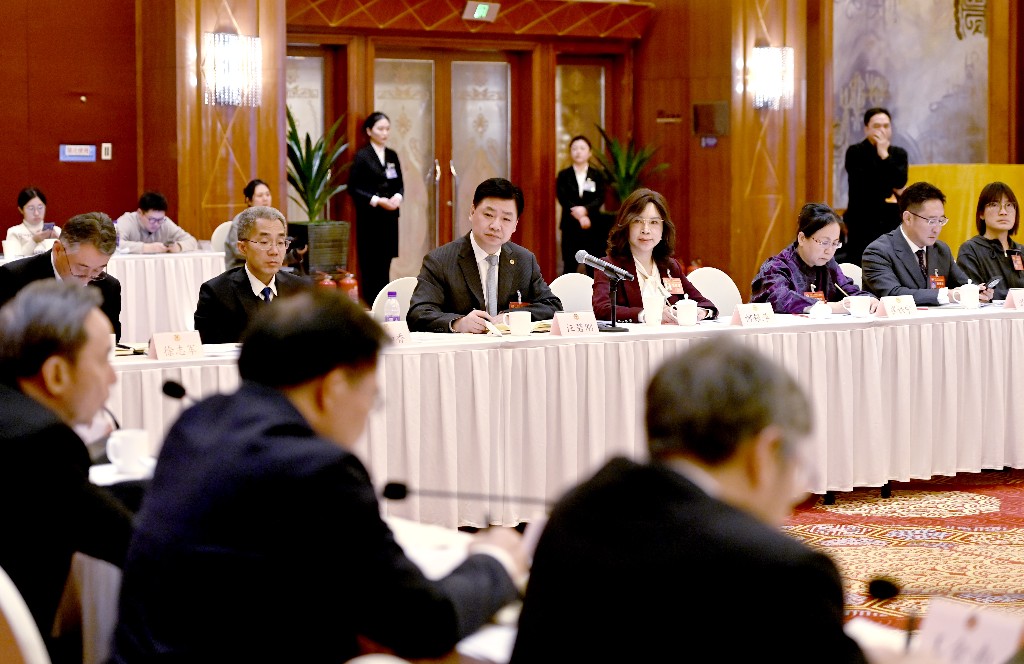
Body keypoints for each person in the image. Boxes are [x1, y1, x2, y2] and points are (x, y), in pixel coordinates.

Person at [111, 287, 526, 662]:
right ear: (335, 387)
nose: (366, 415)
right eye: (371, 397)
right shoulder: (317, 469)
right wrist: (495, 560)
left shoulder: (198, 422)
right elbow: (423, 624)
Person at [510, 338, 867, 663]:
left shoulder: (577, 511)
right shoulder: (784, 573)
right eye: (796, 467)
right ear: (764, 453)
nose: (796, 493)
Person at [0, 281, 133, 659]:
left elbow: (77, 500)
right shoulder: (41, 443)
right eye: (104, 359)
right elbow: (129, 543)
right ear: (56, 374)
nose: (113, 377)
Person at [407, 177, 562, 333]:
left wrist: (511, 317)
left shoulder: (524, 260)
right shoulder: (440, 260)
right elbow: (418, 314)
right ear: (472, 212)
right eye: (488, 215)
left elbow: (552, 306)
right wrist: (458, 323)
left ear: (515, 225)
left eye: (506, 219)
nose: (495, 226)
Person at [591, 188, 716, 323]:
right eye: (637, 221)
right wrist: (648, 315)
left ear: (664, 229)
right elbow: (602, 309)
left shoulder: (670, 267)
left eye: (654, 222)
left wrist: (700, 312)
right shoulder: (609, 266)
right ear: (626, 225)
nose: (646, 230)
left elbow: (705, 303)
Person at [863, 181, 993, 305]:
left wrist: (977, 292)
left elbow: (964, 284)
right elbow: (893, 294)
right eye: (931, 221)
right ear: (908, 218)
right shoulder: (878, 252)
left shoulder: (941, 250)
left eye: (941, 220)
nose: (937, 229)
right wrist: (948, 295)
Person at [194, 205, 308, 343]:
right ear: (243, 247)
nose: (274, 251)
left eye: (280, 242)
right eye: (264, 242)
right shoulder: (216, 293)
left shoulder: (301, 289)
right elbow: (207, 350)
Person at [0, 211, 122, 340]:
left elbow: (111, 341)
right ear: (58, 250)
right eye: (81, 268)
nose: (87, 279)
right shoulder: (14, 278)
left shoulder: (109, 287)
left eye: (98, 270)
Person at [752, 202, 878, 314]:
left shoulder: (829, 266)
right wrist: (830, 308)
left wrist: (869, 300)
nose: (829, 251)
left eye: (835, 243)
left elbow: (849, 290)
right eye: (824, 242)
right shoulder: (775, 267)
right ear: (802, 238)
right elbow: (777, 298)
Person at [348, 111, 404, 305]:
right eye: (380, 129)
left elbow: (399, 184)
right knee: (370, 263)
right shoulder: (362, 156)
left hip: (390, 218)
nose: (385, 133)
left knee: (385, 262)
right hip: (370, 218)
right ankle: (370, 305)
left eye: (387, 129)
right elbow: (353, 187)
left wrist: (397, 197)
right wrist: (377, 200)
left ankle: (384, 305)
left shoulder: (392, 155)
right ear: (369, 131)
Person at [841, 107, 909, 265]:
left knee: (890, 263)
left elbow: (899, 181)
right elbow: (866, 184)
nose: (882, 130)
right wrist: (888, 178)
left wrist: (884, 154)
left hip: (890, 220)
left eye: (886, 126)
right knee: (860, 265)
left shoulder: (899, 154)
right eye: (877, 126)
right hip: (862, 220)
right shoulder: (855, 152)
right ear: (866, 129)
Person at [956, 181, 1023, 301]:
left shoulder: (1021, 251)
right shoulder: (970, 250)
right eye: (994, 204)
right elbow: (975, 293)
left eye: (1009, 205)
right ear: (981, 213)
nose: (1003, 212)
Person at [556, 135, 607, 275]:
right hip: (570, 226)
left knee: (593, 268)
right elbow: (562, 197)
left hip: (592, 226)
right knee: (569, 267)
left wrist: (585, 210)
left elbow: (600, 197)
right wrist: (579, 215)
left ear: (589, 152)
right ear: (570, 152)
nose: (578, 151)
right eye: (574, 148)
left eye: (582, 148)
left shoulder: (597, 175)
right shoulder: (564, 175)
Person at [114, 191, 198, 254]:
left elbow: (192, 241)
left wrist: (179, 247)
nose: (157, 224)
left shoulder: (165, 222)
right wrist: (147, 248)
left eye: (160, 219)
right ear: (140, 213)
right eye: (152, 219)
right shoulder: (127, 221)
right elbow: (112, 245)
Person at [224, 178, 273, 270]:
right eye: (260, 195)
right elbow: (238, 251)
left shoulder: (273, 221)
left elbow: (276, 251)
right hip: (240, 269)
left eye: (267, 194)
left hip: (264, 269)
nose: (265, 198)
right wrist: (265, 252)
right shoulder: (241, 221)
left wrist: (294, 254)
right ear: (249, 200)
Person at [6, 186, 60, 256]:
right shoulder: (14, 232)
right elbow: (14, 260)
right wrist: (34, 241)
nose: (36, 213)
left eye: (40, 207)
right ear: (21, 210)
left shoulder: (56, 230)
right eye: (31, 208)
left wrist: (60, 240)